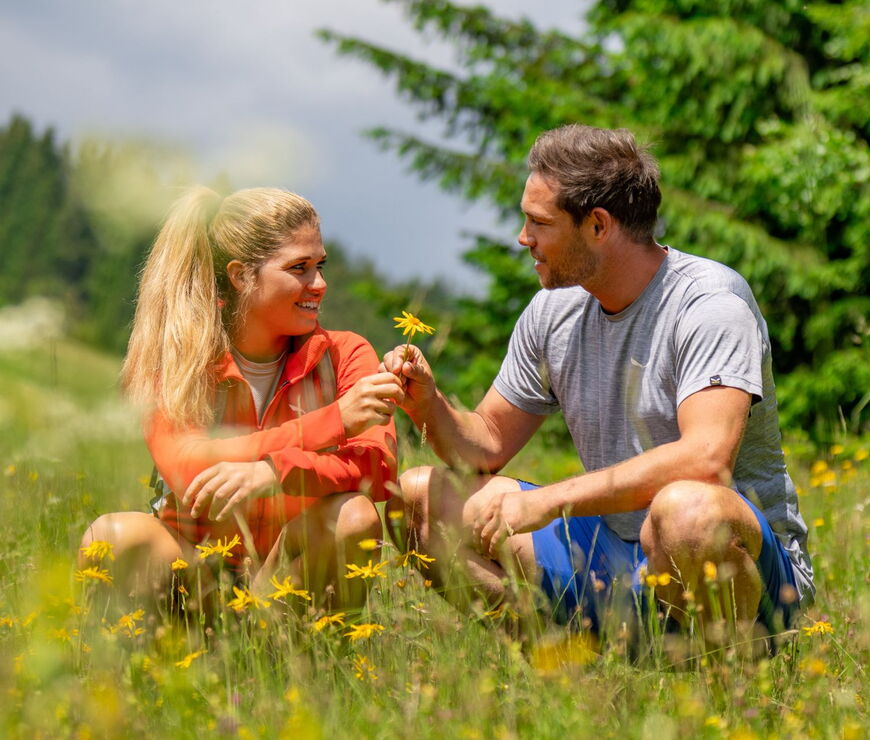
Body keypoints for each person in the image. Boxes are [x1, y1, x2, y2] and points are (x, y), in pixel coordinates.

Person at [383, 125, 813, 643]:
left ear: (598, 226)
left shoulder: (709, 304)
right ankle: (574, 667)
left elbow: (706, 460)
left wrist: (550, 501)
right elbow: (487, 445)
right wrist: (428, 403)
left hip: (748, 575)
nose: (524, 238)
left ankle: (733, 678)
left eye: (538, 222)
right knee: (417, 499)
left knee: (686, 510)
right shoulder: (554, 309)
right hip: (611, 554)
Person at [80, 186, 403, 611]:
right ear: (241, 275)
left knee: (355, 516)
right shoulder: (177, 364)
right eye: (299, 268)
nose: (319, 284)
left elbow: (378, 466)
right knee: (113, 537)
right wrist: (334, 420)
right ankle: (137, 666)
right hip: (194, 568)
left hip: (288, 575)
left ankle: (292, 661)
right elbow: (187, 467)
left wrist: (276, 473)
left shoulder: (346, 352)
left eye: (320, 265)